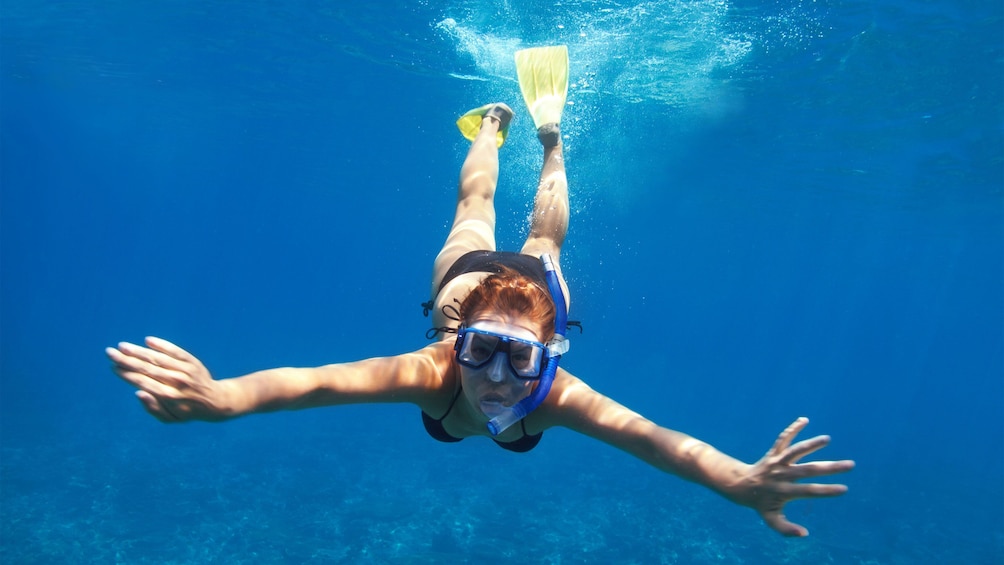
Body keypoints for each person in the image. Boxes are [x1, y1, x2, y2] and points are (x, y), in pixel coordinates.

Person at [107, 100, 854, 537]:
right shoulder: (436, 366)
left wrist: (740, 483)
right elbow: (315, 383)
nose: (497, 378)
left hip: (527, 294)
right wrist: (222, 398)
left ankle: (552, 140)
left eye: (519, 360)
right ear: (456, 341)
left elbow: (654, 442)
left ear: (548, 356)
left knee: (542, 240)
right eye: (482, 353)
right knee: (475, 213)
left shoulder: (552, 393)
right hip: (468, 288)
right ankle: (491, 128)